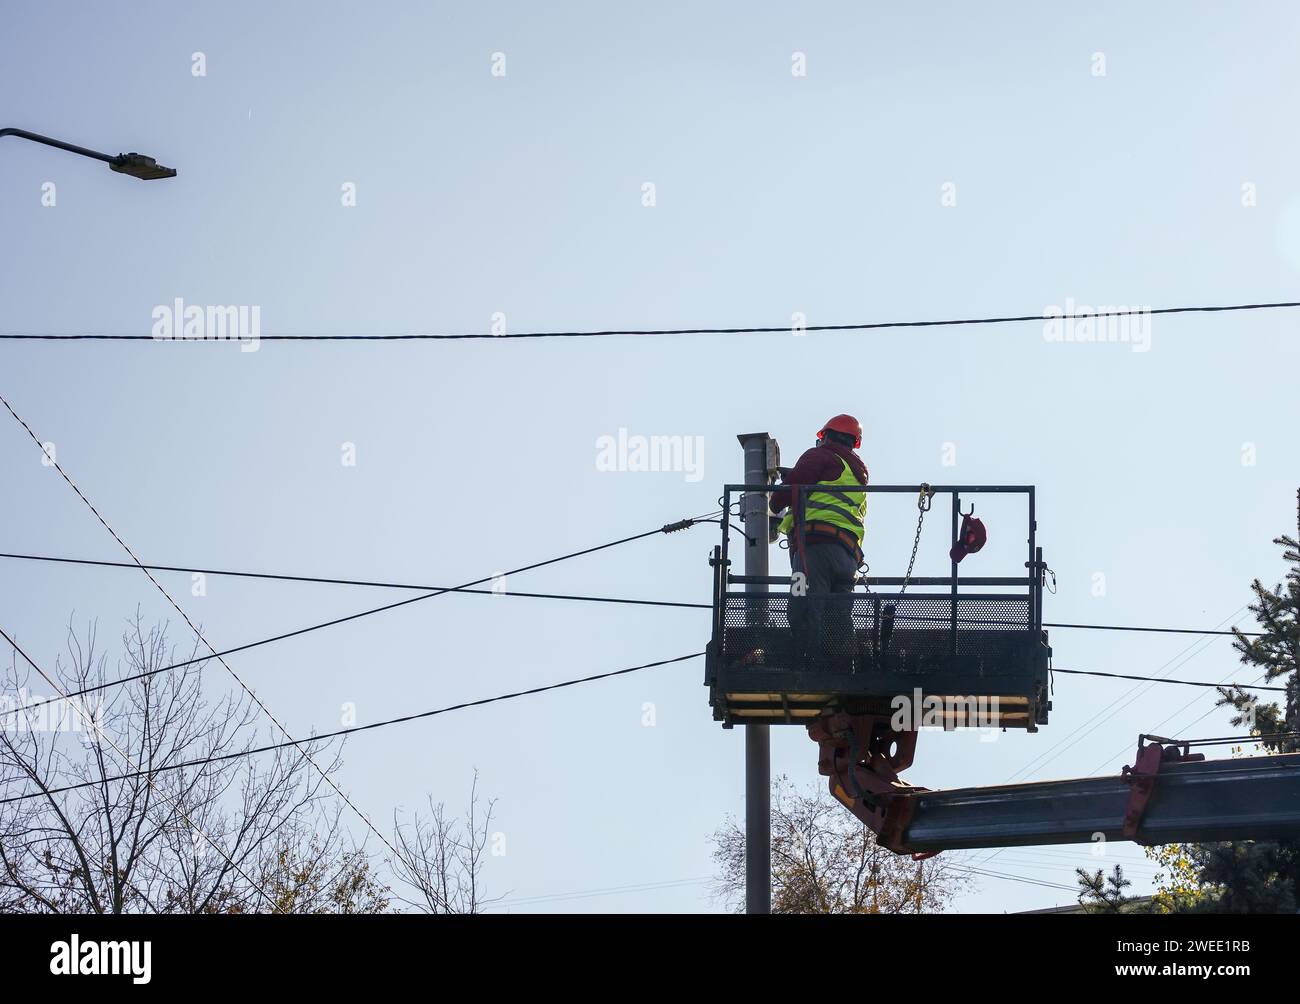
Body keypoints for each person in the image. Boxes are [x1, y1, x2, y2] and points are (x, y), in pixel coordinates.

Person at [769, 415, 868, 670]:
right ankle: (844, 667)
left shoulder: (821, 456)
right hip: (847, 558)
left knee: (803, 603)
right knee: (839, 615)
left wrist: (773, 500)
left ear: (826, 437)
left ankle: (807, 665)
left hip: (815, 551)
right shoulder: (857, 475)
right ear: (853, 443)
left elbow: (785, 494)